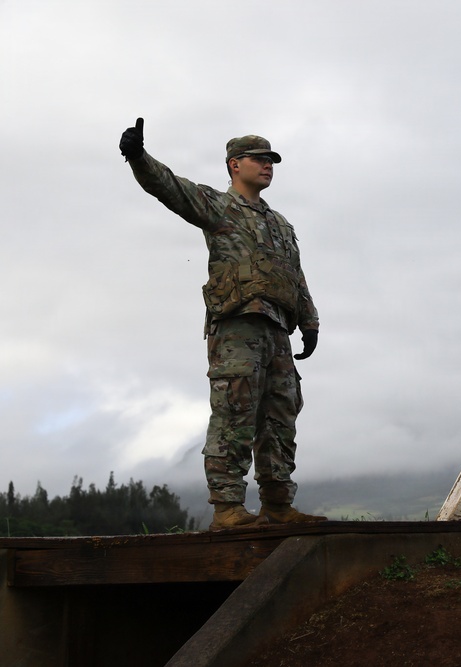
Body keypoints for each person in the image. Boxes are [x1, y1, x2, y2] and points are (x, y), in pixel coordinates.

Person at [119, 118, 327, 531]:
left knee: (280, 415)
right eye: (260, 159)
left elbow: (294, 274)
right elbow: (170, 188)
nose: (268, 165)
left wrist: (310, 320)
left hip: (277, 329)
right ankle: (228, 507)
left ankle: (279, 504)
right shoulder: (218, 206)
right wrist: (138, 157)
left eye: (272, 160)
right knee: (235, 411)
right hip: (238, 328)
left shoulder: (280, 223)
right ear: (235, 164)